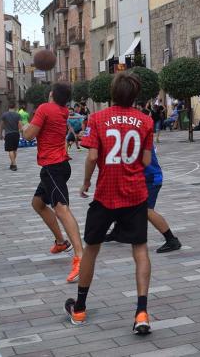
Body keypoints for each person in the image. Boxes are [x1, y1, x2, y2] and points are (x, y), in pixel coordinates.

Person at [64, 72, 156, 335]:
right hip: (135, 193)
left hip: (106, 194)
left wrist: (85, 183)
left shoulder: (97, 118)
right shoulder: (145, 121)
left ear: (112, 93)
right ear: (136, 95)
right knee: (140, 249)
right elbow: (147, 161)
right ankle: (141, 312)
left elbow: (92, 156)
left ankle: (79, 308)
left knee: (92, 248)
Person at [22, 82, 84, 283]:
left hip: (53, 167)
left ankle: (80, 258)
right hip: (56, 166)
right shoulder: (63, 110)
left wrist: (23, 127)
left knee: (61, 209)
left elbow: (29, 135)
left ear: (51, 94)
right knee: (38, 203)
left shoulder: (45, 108)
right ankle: (60, 241)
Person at [111, 144, 183, 253]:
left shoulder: (136, 137)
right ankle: (117, 231)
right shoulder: (134, 134)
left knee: (146, 210)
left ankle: (171, 240)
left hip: (150, 179)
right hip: (142, 178)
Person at [1, 103, 23, 171]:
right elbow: (20, 126)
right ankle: (12, 163)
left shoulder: (4, 115)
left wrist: (0, 134)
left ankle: (14, 164)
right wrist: (22, 134)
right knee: (14, 150)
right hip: (16, 134)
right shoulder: (18, 115)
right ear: (15, 107)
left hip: (8, 134)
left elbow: (1, 125)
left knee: (10, 150)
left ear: (8, 107)